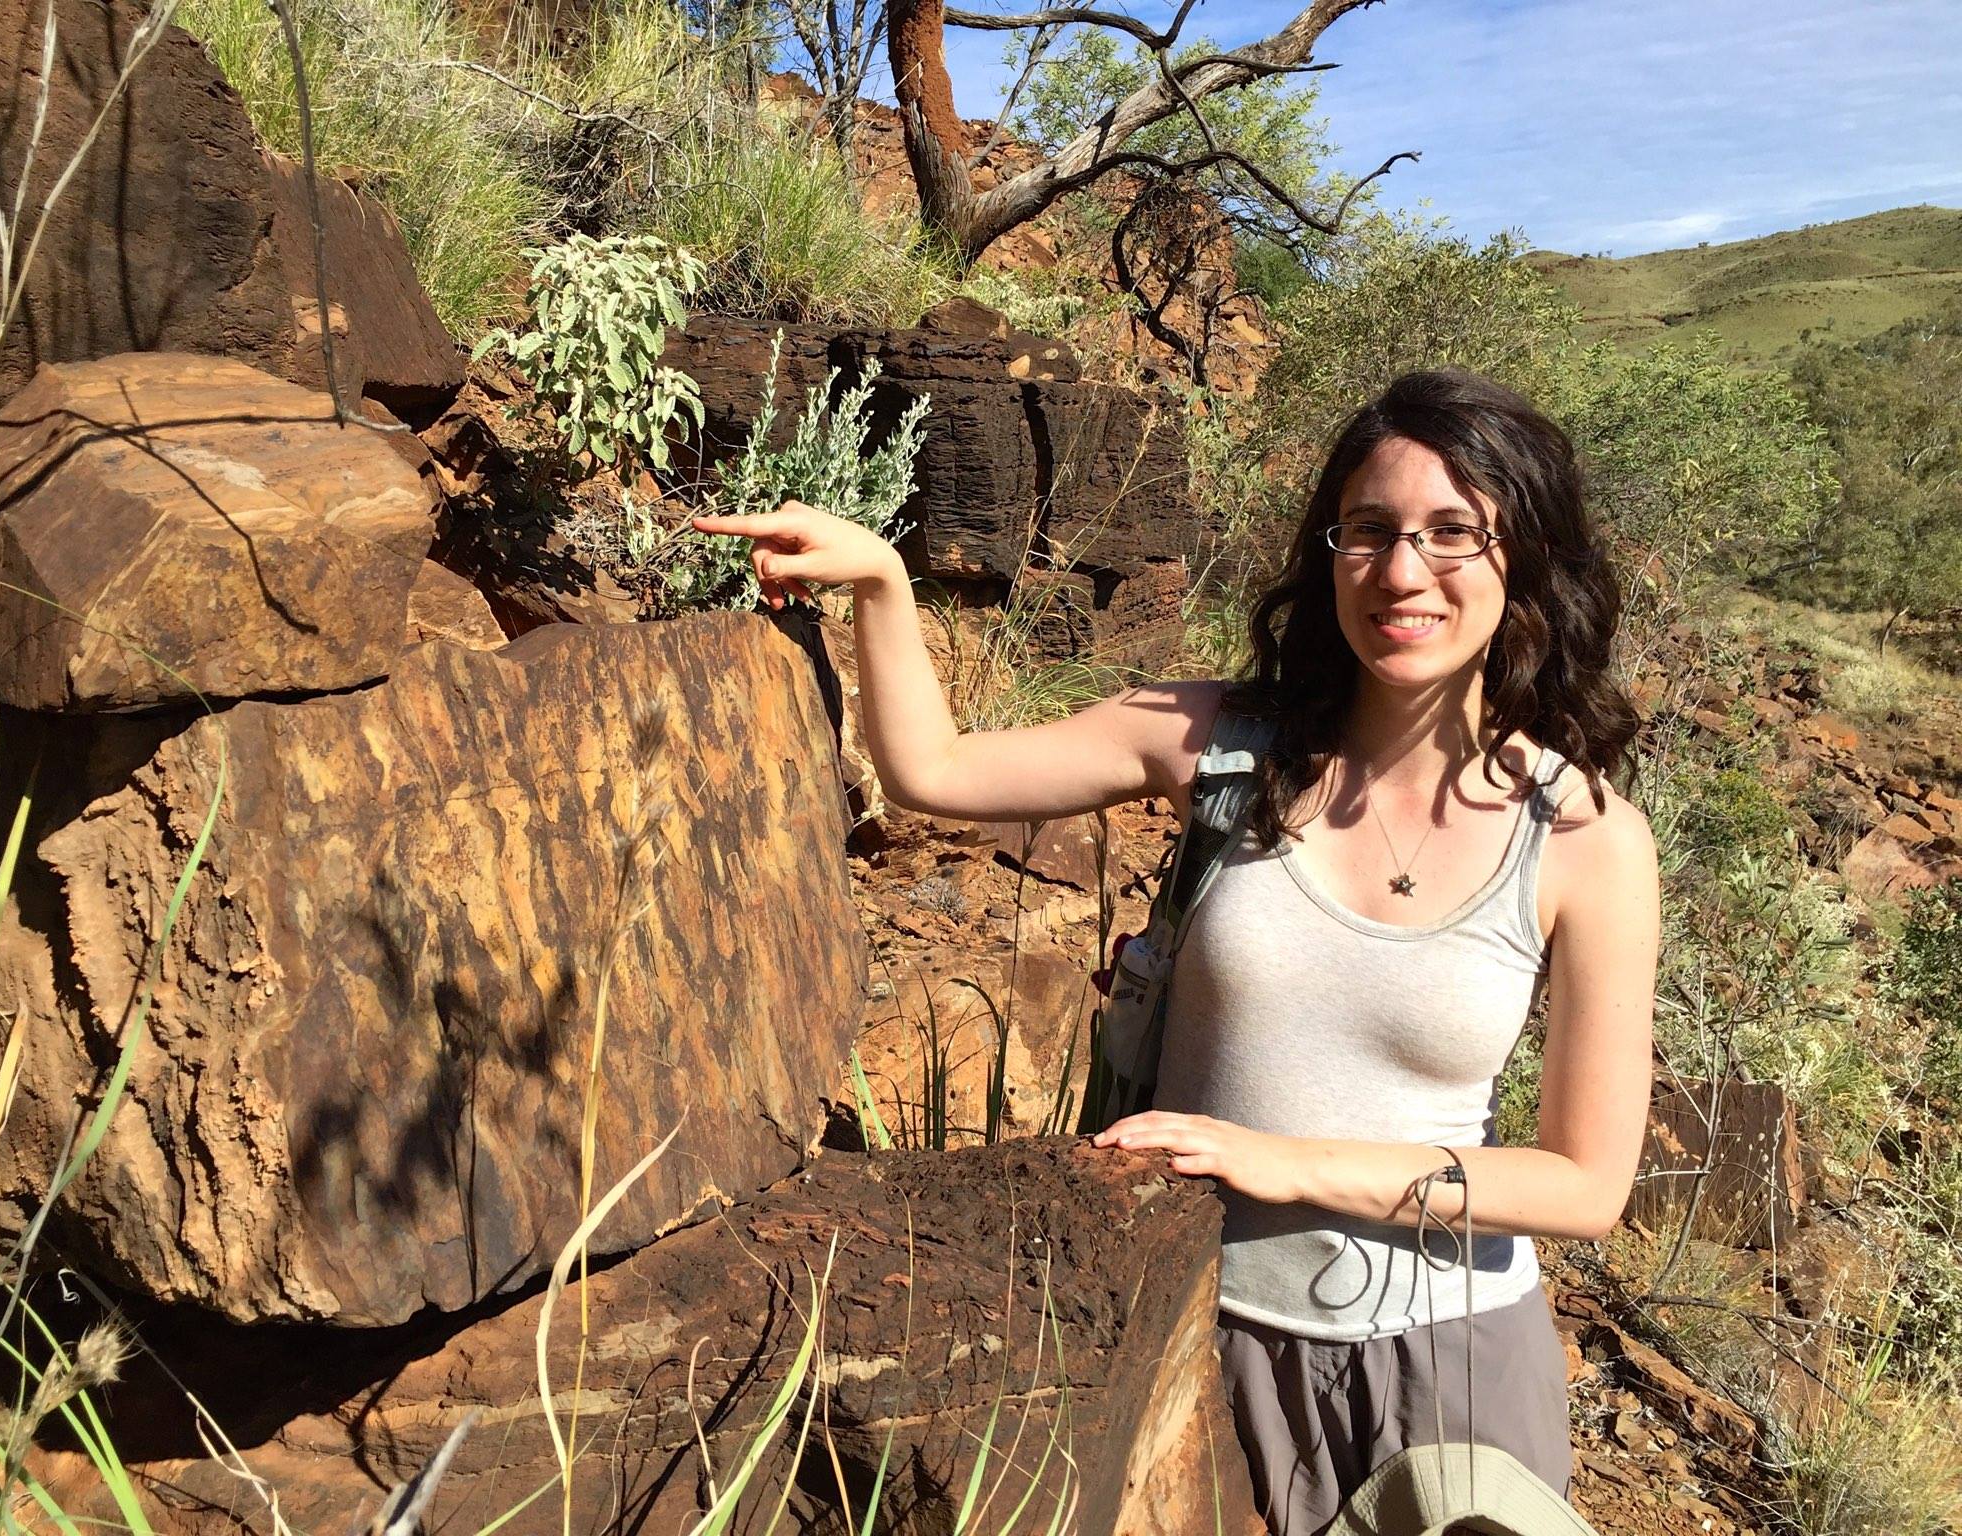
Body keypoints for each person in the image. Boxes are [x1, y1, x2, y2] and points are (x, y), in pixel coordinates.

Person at [691, 368, 1657, 1534]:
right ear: (1328, 551)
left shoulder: (1583, 839)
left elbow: (1584, 1185)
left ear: (1524, 559)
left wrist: (1284, 1162)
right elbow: (936, 772)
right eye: (1369, 531)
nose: (1402, 573)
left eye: (1454, 533)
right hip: (1200, 1325)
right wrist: (886, 586)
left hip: (1450, 1366)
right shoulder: (1222, 744)